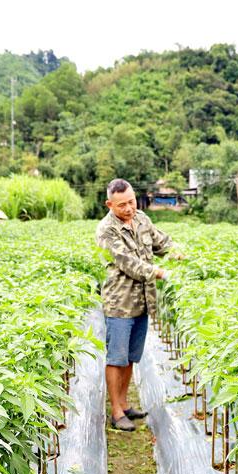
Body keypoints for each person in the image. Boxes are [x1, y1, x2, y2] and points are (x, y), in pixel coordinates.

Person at [96, 178, 182, 431]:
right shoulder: (106, 230)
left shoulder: (143, 219)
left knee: (132, 356)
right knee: (116, 358)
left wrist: (175, 251)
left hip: (142, 301)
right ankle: (115, 411)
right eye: (122, 205)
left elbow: (161, 242)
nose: (129, 208)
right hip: (119, 303)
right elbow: (126, 262)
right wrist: (159, 272)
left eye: (131, 202)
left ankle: (125, 404)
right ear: (109, 204)